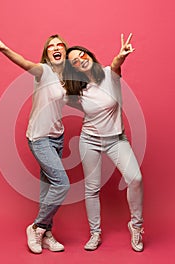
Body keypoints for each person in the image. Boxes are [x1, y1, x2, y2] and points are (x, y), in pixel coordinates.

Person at [0, 27, 70, 254]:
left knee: (48, 188)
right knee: (62, 184)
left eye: (59, 44)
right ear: (46, 54)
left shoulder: (68, 78)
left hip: (58, 137)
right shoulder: (43, 71)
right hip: (39, 138)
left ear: (65, 50)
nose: (55, 48)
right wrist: (3, 49)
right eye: (51, 46)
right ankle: (37, 226)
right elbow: (23, 62)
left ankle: (47, 233)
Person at [63, 33, 144, 252]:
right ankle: (95, 233)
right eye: (75, 61)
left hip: (116, 140)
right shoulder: (76, 91)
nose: (81, 59)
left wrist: (121, 55)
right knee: (91, 188)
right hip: (89, 140)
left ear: (89, 54)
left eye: (82, 54)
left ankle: (136, 226)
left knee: (135, 178)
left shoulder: (110, 75)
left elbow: (117, 64)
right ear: (74, 69)